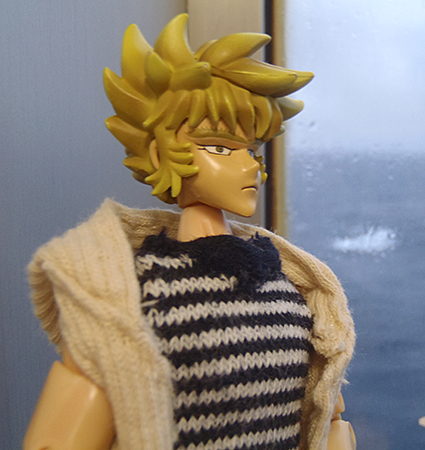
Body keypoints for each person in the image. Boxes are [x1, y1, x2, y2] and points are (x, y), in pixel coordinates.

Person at [24, 14, 355, 450]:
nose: (249, 166)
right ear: (158, 152)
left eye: (253, 149)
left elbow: (325, 413)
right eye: (219, 147)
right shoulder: (133, 299)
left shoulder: (289, 290)